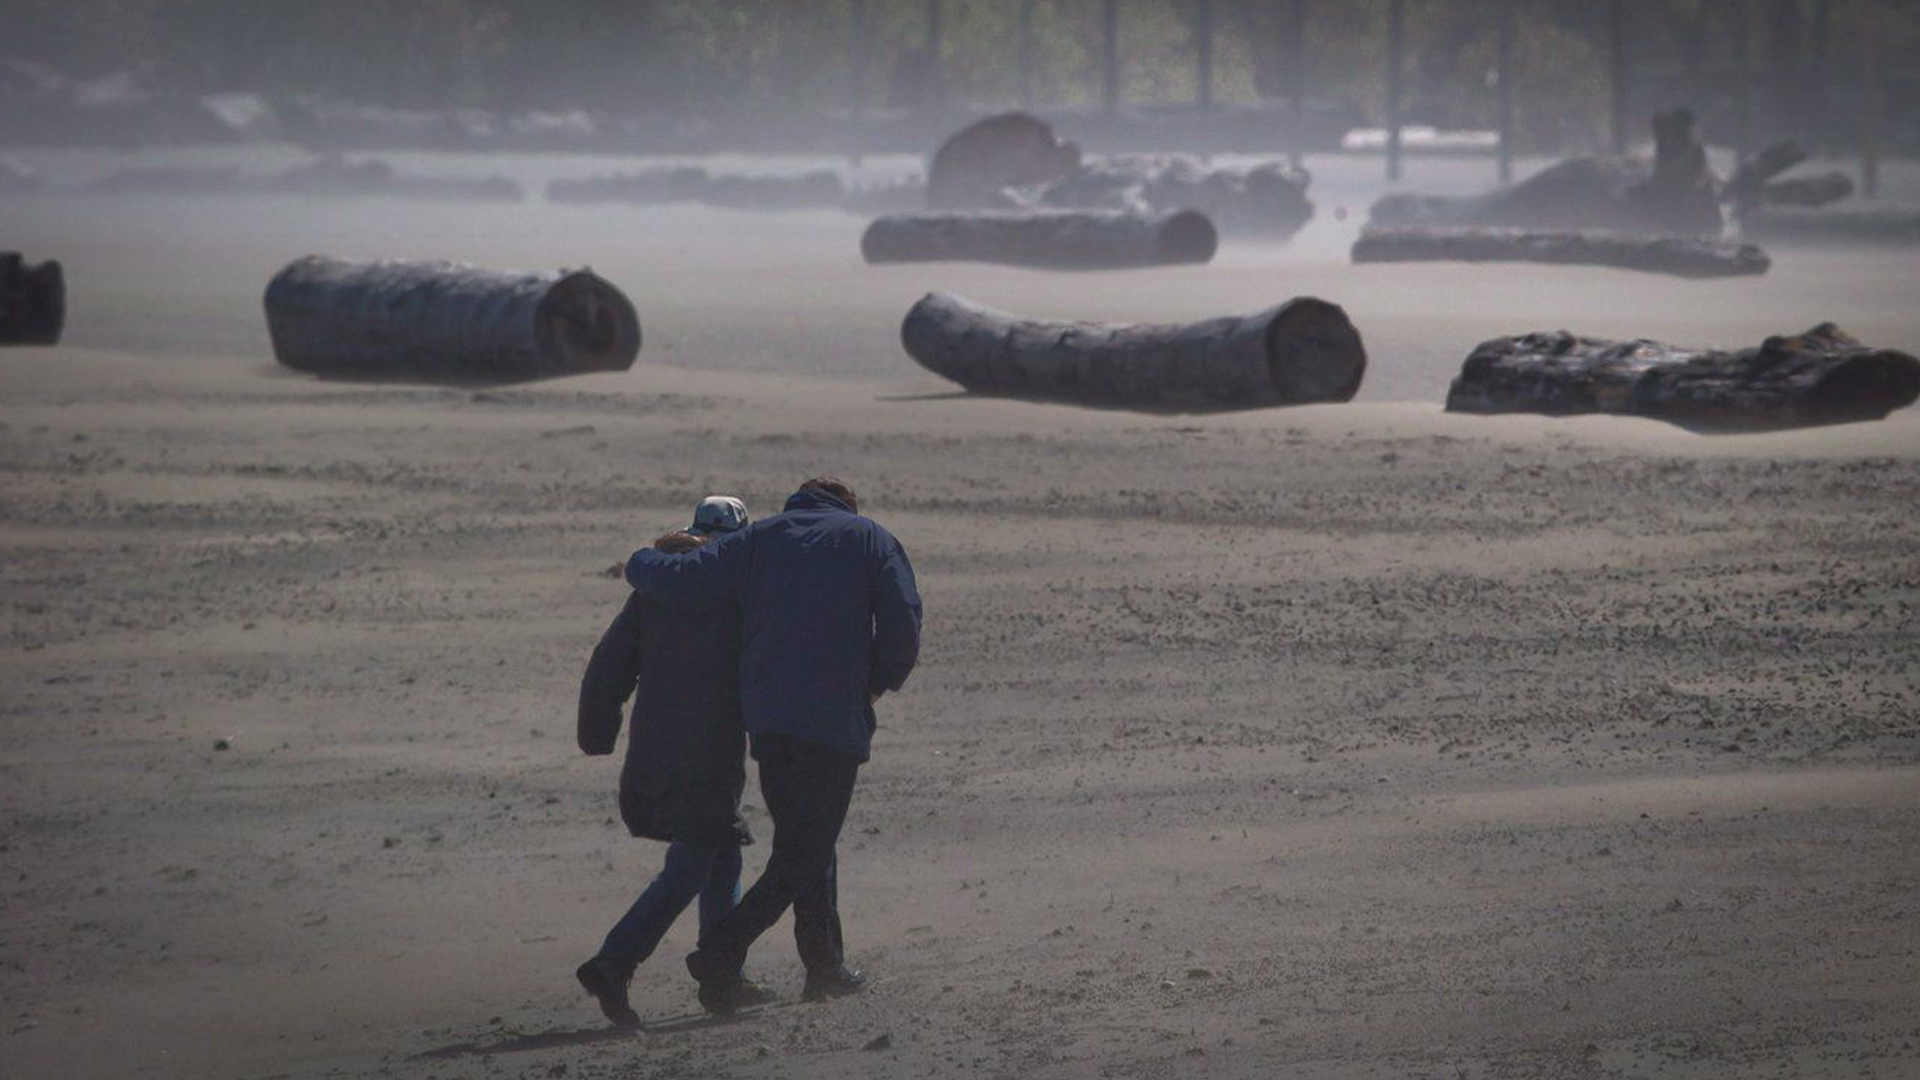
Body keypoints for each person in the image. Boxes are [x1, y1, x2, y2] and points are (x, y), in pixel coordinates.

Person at [623, 477, 922, 1015]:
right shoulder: (870, 538)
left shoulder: (761, 538)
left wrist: (641, 561)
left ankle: (824, 966)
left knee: (810, 841)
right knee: (804, 849)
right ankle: (721, 950)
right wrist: (877, 682)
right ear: (847, 507)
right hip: (831, 722)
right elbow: (902, 620)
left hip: (770, 723)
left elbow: (686, 578)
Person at [573, 496, 775, 1028]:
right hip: (706, 755)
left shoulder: (652, 593)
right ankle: (614, 961)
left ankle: (722, 976)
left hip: (655, 751)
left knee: (721, 852)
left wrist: (597, 733)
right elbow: (763, 671)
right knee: (692, 864)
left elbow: (607, 668)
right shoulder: (737, 595)